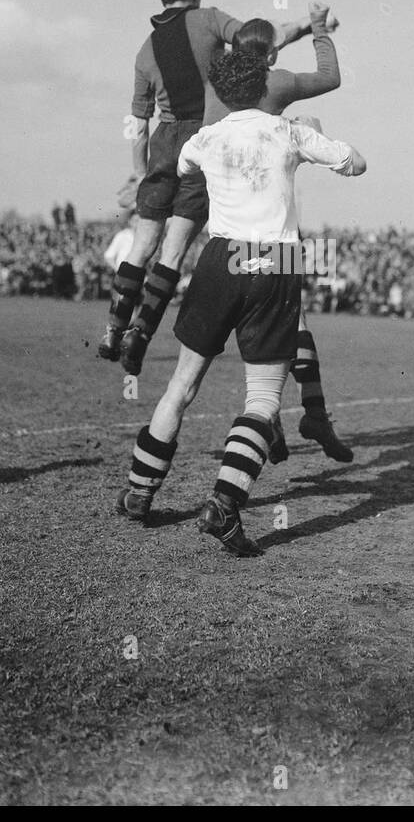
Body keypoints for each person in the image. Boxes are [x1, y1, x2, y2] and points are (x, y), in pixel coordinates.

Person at [116, 45, 366, 557]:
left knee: (182, 384)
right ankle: (224, 505)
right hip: (275, 263)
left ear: (221, 93)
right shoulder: (288, 131)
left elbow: (185, 169)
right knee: (262, 400)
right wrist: (316, 134)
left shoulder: (205, 138)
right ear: (262, 86)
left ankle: (140, 491)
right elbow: (356, 164)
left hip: (219, 259)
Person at [99, 0, 315, 375]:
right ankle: (139, 334)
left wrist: (141, 173)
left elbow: (138, 127)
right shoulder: (211, 19)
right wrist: (308, 27)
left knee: (142, 246)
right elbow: (261, 42)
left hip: (163, 143)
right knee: (173, 253)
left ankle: (111, 327)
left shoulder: (145, 52)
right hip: (205, 143)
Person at [229, 14, 352, 463]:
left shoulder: (219, 90)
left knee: (271, 322)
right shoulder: (272, 82)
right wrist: (318, 29)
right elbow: (329, 77)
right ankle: (296, 416)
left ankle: (293, 418)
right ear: (271, 55)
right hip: (273, 226)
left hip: (228, 228)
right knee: (286, 318)